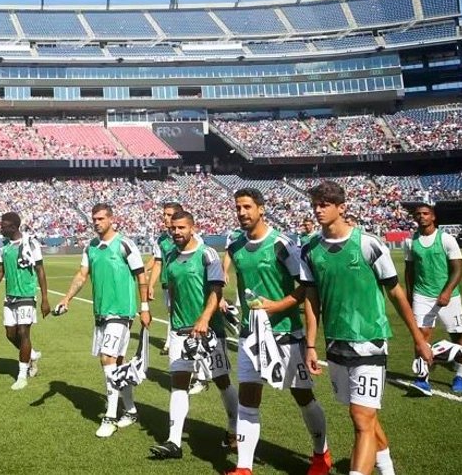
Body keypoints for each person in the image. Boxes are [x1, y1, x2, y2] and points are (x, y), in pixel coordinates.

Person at [258, 180, 432, 475]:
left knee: (361, 416)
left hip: (370, 340)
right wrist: (311, 345)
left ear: (342, 207)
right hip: (335, 344)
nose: (318, 210)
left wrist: (418, 338)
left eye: (324, 205)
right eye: (315, 205)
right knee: (365, 416)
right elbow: (311, 300)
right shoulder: (310, 249)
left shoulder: (368, 244)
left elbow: (396, 293)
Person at [221, 188, 331, 475]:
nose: (242, 212)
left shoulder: (282, 244)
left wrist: (276, 306)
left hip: (285, 334)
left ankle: (321, 454)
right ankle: (244, 467)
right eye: (238, 207)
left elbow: (307, 286)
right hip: (250, 336)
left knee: (303, 397)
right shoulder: (236, 246)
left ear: (261, 209)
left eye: (247, 207)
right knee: (248, 399)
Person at [55, 203, 151, 438]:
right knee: (117, 363)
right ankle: (130, 410)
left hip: (121, 312)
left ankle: (110, 417)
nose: (97, 223)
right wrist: (67, 298)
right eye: (94, 219)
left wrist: (144, 307)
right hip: (100, 313)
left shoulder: (125, 244)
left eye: (100, 219)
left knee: (107, 358)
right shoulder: (91, 247)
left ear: (111, 219)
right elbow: (82, 275)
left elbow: (141, 276)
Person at [149, 210, 230, 460]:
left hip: (209, 331)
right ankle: (174, 442)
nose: (176, 232)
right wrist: (174, 320)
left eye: (181, 227)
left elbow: (216, 290)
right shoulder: (170, 256)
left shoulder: (207, 254)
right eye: (173, 228)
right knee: (179, 383)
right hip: (180, 331)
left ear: (192, 228)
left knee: (222, 381)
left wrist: (204, 318)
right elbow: (173, 290)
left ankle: (235, 428)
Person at [403, 203, 462, 396]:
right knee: (421, 337)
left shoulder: (446, 239)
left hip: (449, 296)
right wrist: (410, 295)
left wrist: (447, 291)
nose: (421, 216)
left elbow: (457, 269)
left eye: (425, 213)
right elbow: (409, 271)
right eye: (418, 214)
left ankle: (460, 376)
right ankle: (422, 378)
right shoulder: (410, 241)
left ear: (433, 217)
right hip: (422, 295)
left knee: (457, 337)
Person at [0, 212, 50, 390]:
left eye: (3, 226)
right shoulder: (2, 246)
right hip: (10, 297)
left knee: (24, 332)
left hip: (27, 295)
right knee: (11, 334)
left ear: (13, 227)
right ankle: (32, 355)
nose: (0, 229)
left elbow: (40, 270)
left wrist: (44, 299)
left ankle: (22, 376)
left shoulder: (31, 243)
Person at [146, 203, 182, 359]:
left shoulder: (189, 236)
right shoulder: (161, 239)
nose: (165, 218)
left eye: (169, 215)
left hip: (185, 283)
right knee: (171, 313)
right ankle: (172, 342)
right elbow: (158, 262)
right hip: (167, 283)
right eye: (164, 214)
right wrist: (150, 285)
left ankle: (172, 343)